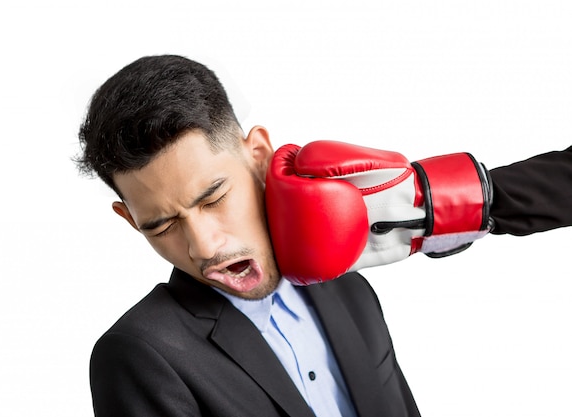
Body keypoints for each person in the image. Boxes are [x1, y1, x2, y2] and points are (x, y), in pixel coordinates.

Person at [76, 54, 572, 417]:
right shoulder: (140, 355)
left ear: (260, 155)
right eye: (161, 224)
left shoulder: (345, 285)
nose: (204, 246)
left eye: (213, 198)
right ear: (128, 219)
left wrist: (452, 204)